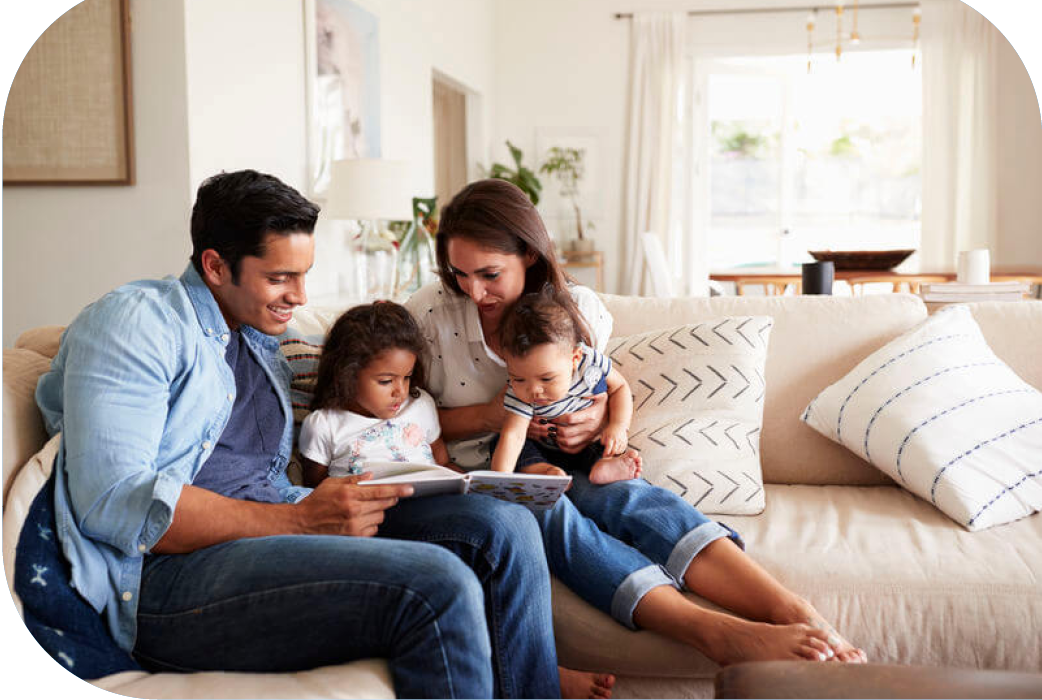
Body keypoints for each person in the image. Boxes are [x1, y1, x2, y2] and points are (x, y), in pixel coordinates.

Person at [28, 170, 612, 698]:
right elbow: (115, 504)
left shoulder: (259, 341)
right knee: (438, 586)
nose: (301, 298)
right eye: (280, 278)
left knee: (503, 523)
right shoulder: (136, 323)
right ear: (214, 266)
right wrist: (300, 519)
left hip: (283, 524)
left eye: (304, 276)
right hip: (168, 578)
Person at [405, 178, 868, 665]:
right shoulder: (431, 313)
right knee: (545, 513)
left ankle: (793, 609)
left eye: (489, 274)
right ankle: (712, 632)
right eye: (459, 273)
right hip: (484, 471)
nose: (473, 291)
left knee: (629, 497)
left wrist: (596, 421)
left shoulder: (575, 310)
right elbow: (402, 421)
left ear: (530, 256)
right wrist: (489, 415)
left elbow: (600, 388)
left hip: (566, 456)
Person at [490, 288, 642, 484]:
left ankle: (604, 466)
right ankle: (543, 470)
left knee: (607, 443)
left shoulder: (589, 365)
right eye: (519, 379)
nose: (534, 390)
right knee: (500, 443)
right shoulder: (519, 393)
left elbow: (620, 387)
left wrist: (618, 426)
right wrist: (498, 482)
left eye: (546, 379)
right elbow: (514, 435)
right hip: (545, 450)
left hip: (588, 443)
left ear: (575, 358)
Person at [298, 301, 452, 484]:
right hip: (373, 508)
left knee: (485, 508)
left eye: (407, 377)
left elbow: (443, 464)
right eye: (385, 381)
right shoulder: (324, 425)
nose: (401, 392)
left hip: (433, 502)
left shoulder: (421, 403)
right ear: (347, 374)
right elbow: (316, 492)